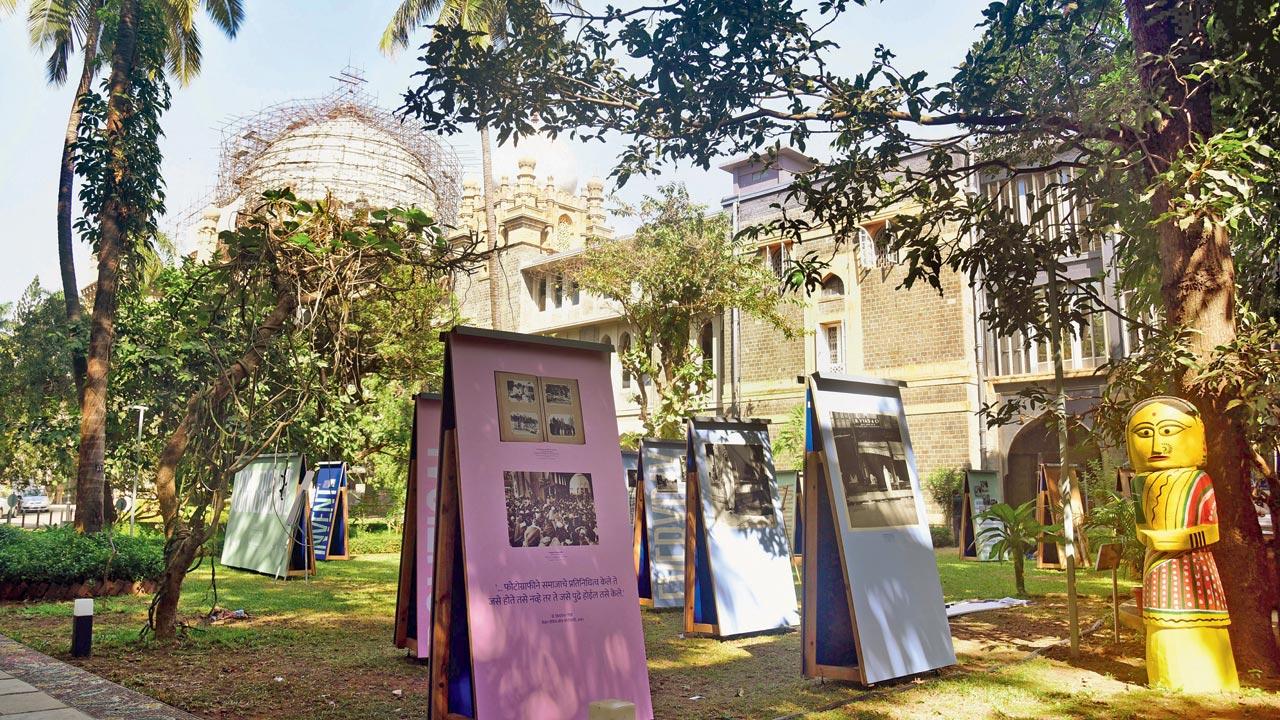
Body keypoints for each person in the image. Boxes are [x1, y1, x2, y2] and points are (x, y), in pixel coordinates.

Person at [1127, 396, 1238, 692]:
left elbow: (1210, 530)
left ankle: (1209, 679)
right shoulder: (1139, 483)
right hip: (1157, 566)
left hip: (1194, 567)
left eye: (1167, 431)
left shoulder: (1198, 480)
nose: (1155, 446)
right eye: (1144, 434)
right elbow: (1140, 527)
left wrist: (1172, 540)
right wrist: (1152, 539)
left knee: (1200, 620)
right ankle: (1168, 678)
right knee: (1161, 623)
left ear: (1196, 437)